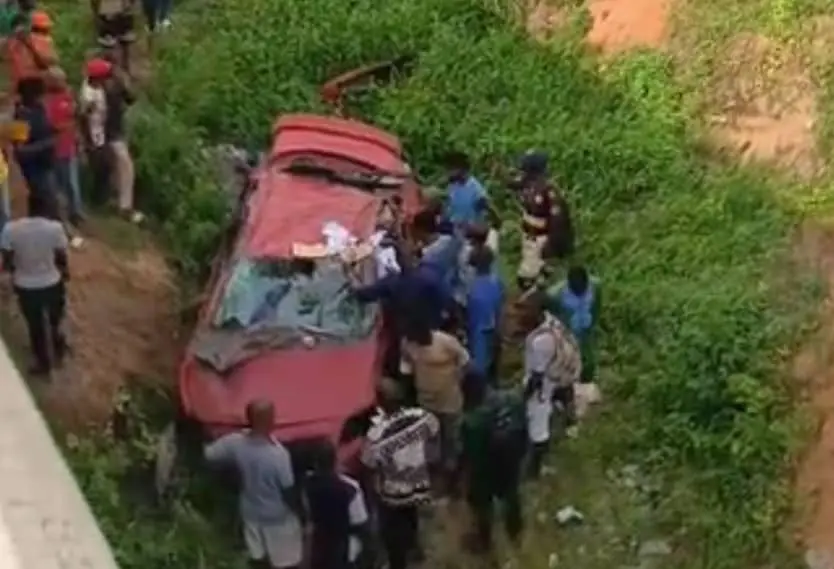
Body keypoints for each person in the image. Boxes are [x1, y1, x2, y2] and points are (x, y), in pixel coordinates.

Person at [204, 399, 306, 569]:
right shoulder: (278, 456)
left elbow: (208, 455)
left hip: (250, 513)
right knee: (286, 561)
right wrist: (301, 514)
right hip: (278, 518)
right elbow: (288, 491)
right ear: (268, 421)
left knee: (257, 559)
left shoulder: (235, 443)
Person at [361, 378, 439, 569]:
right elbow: (434, 437)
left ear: (380, 402)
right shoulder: (421, 417)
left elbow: (368, 464)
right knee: (411, 517)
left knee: (393, 536)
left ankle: (399, 563)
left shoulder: (377, 433)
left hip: (393, 494)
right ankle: (414, 547)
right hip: (418, 483)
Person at [0, 192, 68, 375]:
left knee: (35, 326)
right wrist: (65, 273)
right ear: (47, 209)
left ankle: (43, 364)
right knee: (55, 319)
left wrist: (12, 274)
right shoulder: (55, 228)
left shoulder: (11, 229)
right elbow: (61, 257)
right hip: (51, 282)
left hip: (25, 285)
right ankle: (57, 347)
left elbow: (7, 259)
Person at [459, 378, 527, 554]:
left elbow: (470, 456)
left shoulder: (472, 422)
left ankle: (484, 541)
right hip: (513, 459)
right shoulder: (514, 398)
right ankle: (516, 530)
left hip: (487, 469)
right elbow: (525, 426)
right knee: (511, 494)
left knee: (481, 502)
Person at [400, 322, 468, 492]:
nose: (419, 345)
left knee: (452, 439)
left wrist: (457, 379)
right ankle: (435, 478)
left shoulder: (446, 342)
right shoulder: (408, 345)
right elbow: (406, 369)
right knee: (431, 441)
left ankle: (454, 480)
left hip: (449, 401)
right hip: (426, 403)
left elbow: (464, 360)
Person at [522, 291, 582, 437]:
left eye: (528, 309)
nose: (524, 312)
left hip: (552, 373)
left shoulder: (540, 342)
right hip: (565, 365)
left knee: (540, 405)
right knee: (566, 392)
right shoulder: (552, 321)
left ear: (539, 311)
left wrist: (524, 396)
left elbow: (537, 377)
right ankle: (571, 423)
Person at [511, 151, 573, 291]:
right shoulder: (527, 182)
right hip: (528, 238)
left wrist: (551, 244)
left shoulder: (549, 190)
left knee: (529, 280)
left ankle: (539, 304)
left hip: (540, 240)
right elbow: (513, 184)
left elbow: (558, 220)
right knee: (527, 277)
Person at [306, 442, 372, 569]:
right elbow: (360, 521)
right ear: (335, 461)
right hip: (344, 545)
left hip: (319, 544)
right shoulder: (349, 487)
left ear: (315, 462)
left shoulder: (308, 484)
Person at [44, 67, 83, 227]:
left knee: (72, 183)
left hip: (69, 146)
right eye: (61, 80)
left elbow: (75, 115)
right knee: (62, 184)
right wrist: (68, 125)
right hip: (57, 149)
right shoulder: (47, 102)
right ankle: (64, 216)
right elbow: (50, 126)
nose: (64, 83)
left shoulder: (67, 96)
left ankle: (76, 212)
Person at [102, 61, 142, 222]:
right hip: (112, 135)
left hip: (114, 134)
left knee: (117, 169)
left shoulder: (111, 90)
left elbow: (131, 98)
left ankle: (116, 201)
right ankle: (125, 207)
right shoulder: (105, 93)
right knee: (126, 168)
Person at [548, 265, 600, 383]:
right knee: (568, 365)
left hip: (586, 330)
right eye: (576, 291)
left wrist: (593, 323)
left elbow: (597, 307)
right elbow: (553, 318)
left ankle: (587, 380)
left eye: (583, 290)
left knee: (588, 361)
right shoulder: (555, 295)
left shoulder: (595, 286)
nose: (580, 293)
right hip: (567, 334)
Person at [13, 77, 55, 204]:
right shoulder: (21, 116)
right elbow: (20, 149)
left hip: (46, 163)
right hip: (33, 169)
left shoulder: (40, 109)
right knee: (44, 200)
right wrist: (46, 144)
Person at [465, 247, 503, 383]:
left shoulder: (470, 285)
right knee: (493, 357)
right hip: (494, 325)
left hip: (478, 329)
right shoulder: (496, 281)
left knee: (479, 363)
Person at [79, 57, 111, 207]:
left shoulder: (95, 86)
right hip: (93, 134)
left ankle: (98, 199)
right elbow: (84, 118)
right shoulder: (89, 96)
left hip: (99, 132)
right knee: (101, 167)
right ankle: (96, 201)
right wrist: (88, 141)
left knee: (103, 166)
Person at [442, 151, 488, 228]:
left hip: (469, 233)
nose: (448, 172)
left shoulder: (476, 190)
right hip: (452, 230)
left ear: (462, 168)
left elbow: (483, 215)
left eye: (451, 169)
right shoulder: (452, 186)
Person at [90, 0, 136, 74]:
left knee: (116, 43)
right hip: (117, 10)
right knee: (117, 43)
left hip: (112, 10)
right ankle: (118, 71)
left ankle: (116, 71)